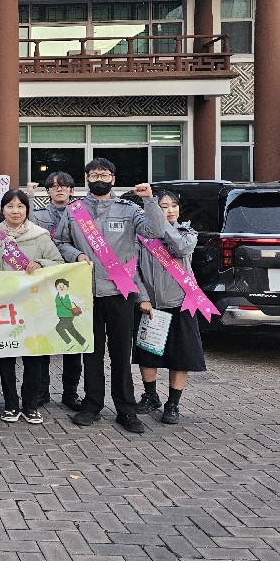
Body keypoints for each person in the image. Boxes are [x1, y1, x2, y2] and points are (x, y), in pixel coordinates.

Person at [54, 158, 165, 435]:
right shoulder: (74, 210)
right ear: (87, 180)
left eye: (104, 173)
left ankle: (126, 409)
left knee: (120, 353)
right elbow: (60, 242)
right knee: (91, 353)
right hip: (86, 293)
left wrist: (150, 200)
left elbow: (156, 232)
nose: (98, 177)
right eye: (93, 174)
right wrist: (75, 254)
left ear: (113, 179)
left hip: (120, 292)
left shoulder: (129, 209)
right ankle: (92, 405)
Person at [0, 189, 64, 425]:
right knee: (6, 356)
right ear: (2, 210)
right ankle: (10, 404)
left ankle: (31, 405)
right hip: (5, 305)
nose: (15, 211)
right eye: (9, 206)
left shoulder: (40, 236)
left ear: (27, 209)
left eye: (20, 206)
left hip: (33, 305)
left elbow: (58, 263)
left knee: (33, 357)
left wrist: (40, 263)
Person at [134, 190, 208, 425]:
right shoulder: (140, 236)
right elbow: (132, 269)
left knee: (181, 357)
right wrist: (142, 297)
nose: (170, 210)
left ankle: (173, 404)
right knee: (148, 354)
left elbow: (181, 249)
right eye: (163, 206)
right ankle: (150, 395)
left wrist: (162, 225)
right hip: (151, 305)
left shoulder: (187, 233)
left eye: (173, 206)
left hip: (181, 303)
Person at [30, 171, 81, 411]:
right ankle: (41, 390)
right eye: (54, 186)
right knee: (44, 336)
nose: (59, 190)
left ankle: (70, 392)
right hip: (45, 281)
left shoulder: (84, 214)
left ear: (72, 190)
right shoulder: (38, 216)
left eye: (64, 186)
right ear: (48, 191)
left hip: (75, 281)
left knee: (72, 338)